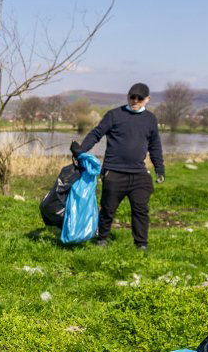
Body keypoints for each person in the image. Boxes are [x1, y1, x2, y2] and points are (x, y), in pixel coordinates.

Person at [70, 82, 165, 250]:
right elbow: (96, 134)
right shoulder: (114, 115)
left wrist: (159, 169)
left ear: (147, 99)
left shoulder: (150, 119)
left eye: (139, 98)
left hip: (139, 174)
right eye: (132, 97)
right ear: (128, 97)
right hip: (114, 172)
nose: (135, 101)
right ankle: (102, 239)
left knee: (141, 210)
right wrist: (81, 151)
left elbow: (155, 146)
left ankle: (141, 244)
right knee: (108, 209)